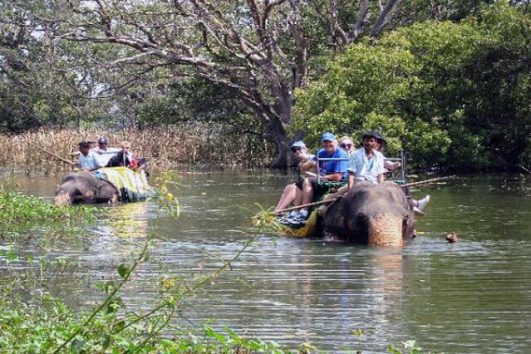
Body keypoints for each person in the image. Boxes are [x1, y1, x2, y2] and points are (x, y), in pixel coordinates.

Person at [286, 133, 349, 224]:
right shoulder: (321, 152)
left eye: (330, 142)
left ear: (335, 142)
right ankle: (296, 211)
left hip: (337, 181)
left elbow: (338, 177)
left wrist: (321, 177)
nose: (328, 145)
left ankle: (304, 211)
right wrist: (311, 164)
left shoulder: (341, 154)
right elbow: (304, 168)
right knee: (298, 184)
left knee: (308, 181)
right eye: (325, 142)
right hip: (324, 178)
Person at [274, 141, 315, 214]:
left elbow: (319, 174)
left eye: (299, 148)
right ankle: (278, 210)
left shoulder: (313, 159)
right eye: (294, 150)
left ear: (305, 149)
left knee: (293, 187)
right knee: (289, 186)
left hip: (313, 185)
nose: (297, 151)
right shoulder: (300, 163)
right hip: (305, 186)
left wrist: (306, 172)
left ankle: (279, 211)